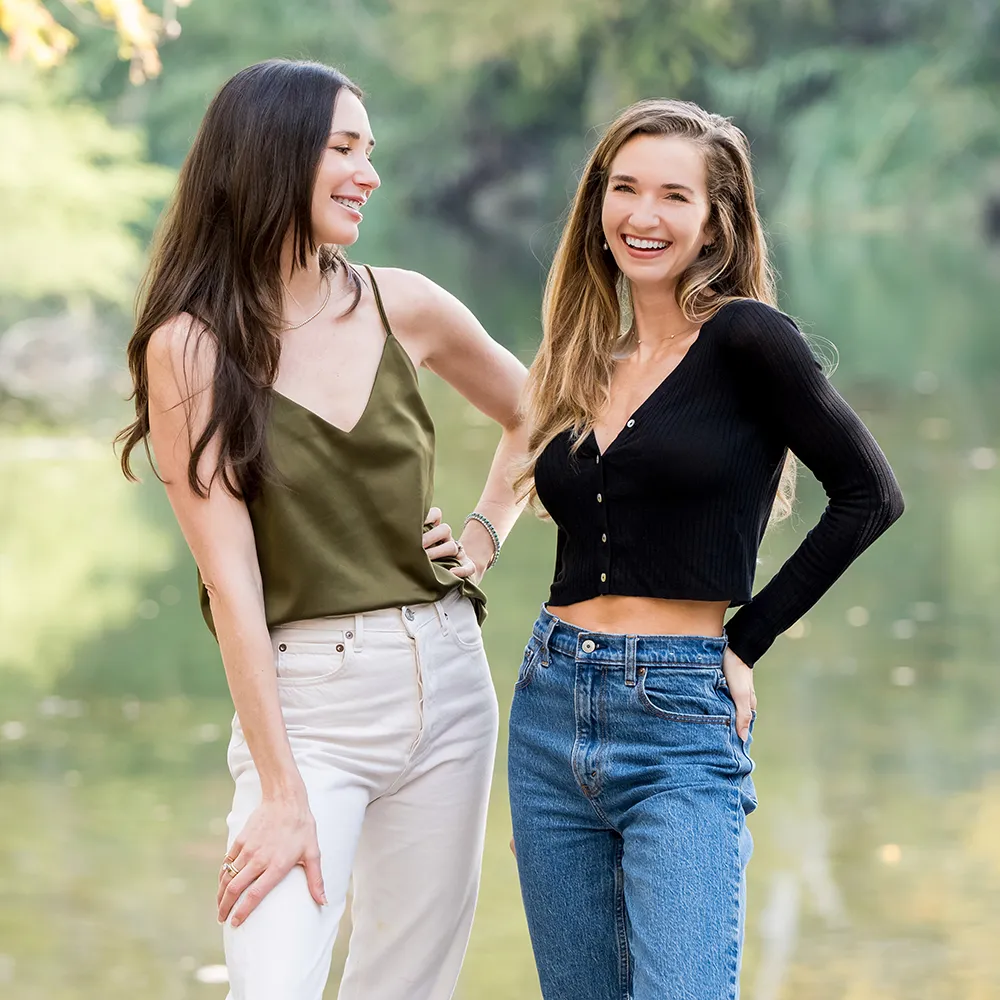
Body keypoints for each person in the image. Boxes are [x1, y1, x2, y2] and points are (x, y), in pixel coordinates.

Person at [116, 59, 527, 1000]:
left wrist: (481, 535)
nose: (368, 173)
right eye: (343, 148)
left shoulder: (404, 303)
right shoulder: (190, 346)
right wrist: (281, 789)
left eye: (370, 151)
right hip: (309, 711)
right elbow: (233, 586)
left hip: (450, 684)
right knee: (272, 983)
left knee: (406, 987)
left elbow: (540, 418)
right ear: (271, 157)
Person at [507, 99, 904, 1000]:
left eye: (674, 196)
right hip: (548, 702)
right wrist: (475, 534)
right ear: (596, 204)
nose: (643, 217)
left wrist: (742, 641)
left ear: (716, 220)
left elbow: (870, 495)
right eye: (625, 189)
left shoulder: (746, 339)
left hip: (679, 713)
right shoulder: (586, 362)